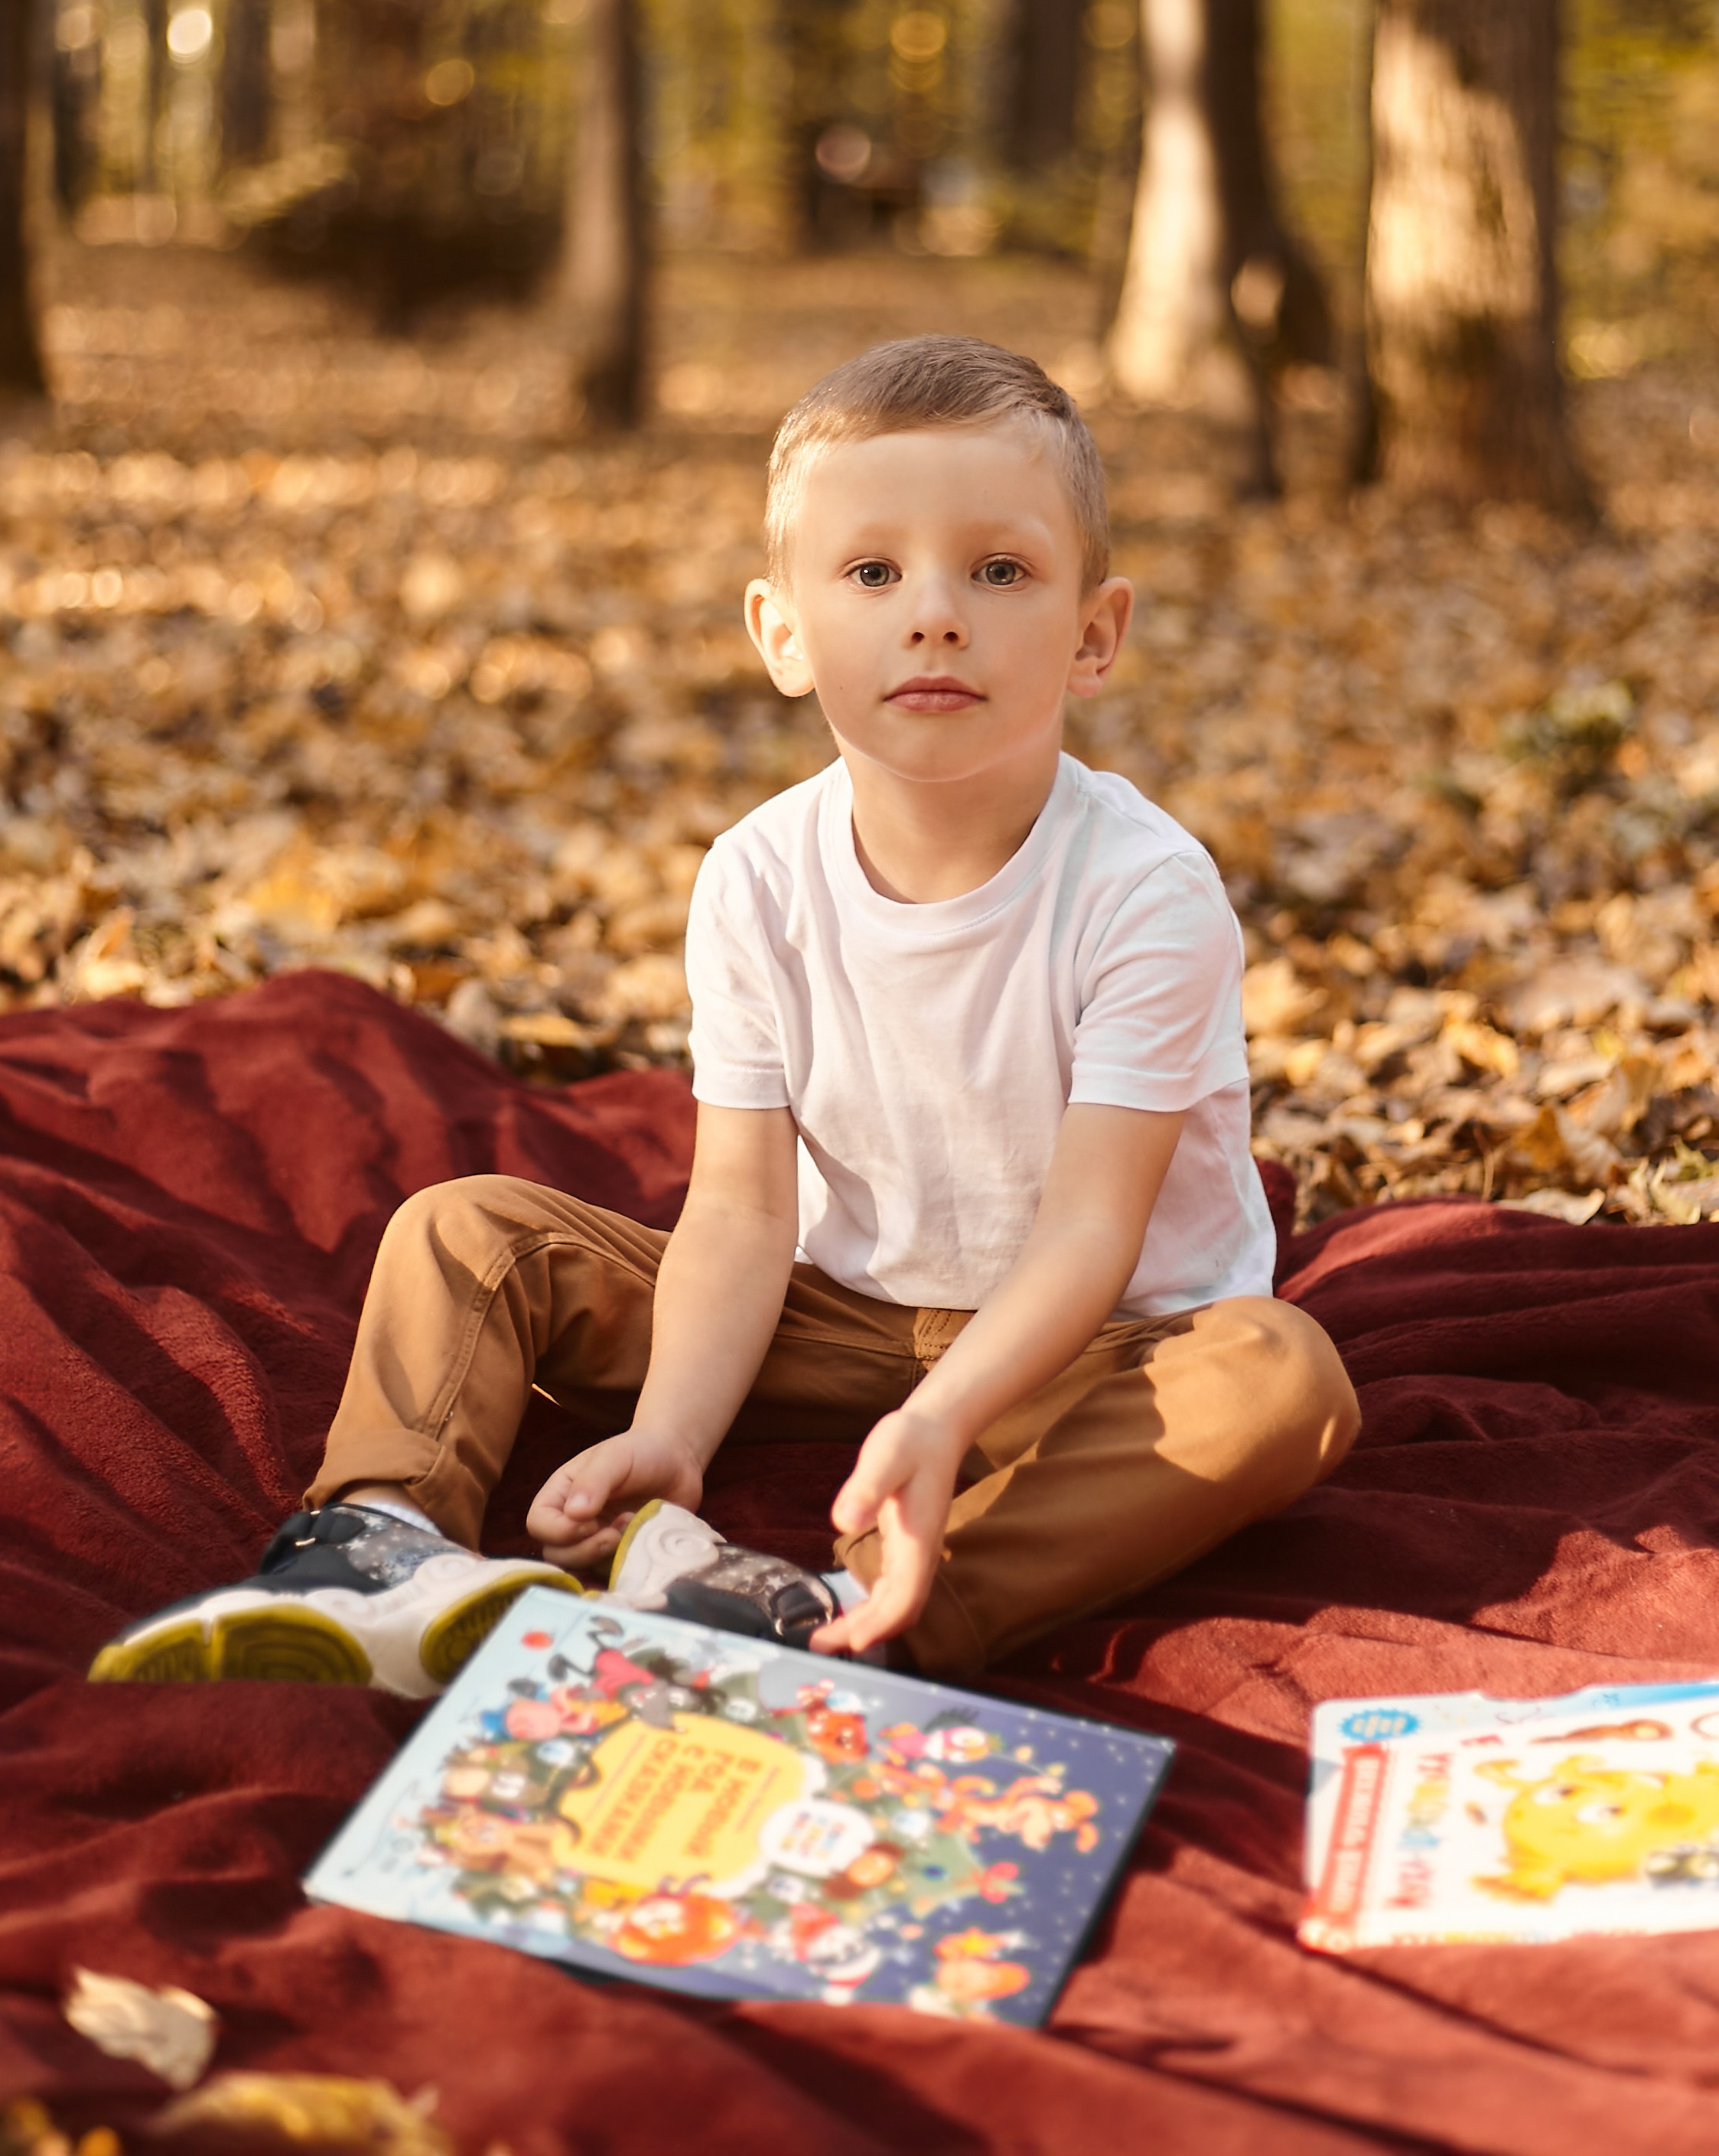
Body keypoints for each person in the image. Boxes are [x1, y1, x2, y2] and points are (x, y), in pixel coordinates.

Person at [93, 337, 1359, 1696]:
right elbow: (745, 1212)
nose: (934, 613)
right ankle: (380, 1547)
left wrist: (941, 1419)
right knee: (466, 1231)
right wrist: (672, 1438)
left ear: (1094, 631)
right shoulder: (757, 875)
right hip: (837, 1314)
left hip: (1101, 1344)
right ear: (783, 634)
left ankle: (828, 1610)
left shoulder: (1141, 891)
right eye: (872, 572)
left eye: (998, 570)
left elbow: (1093, 1231)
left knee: (1283, 1376)